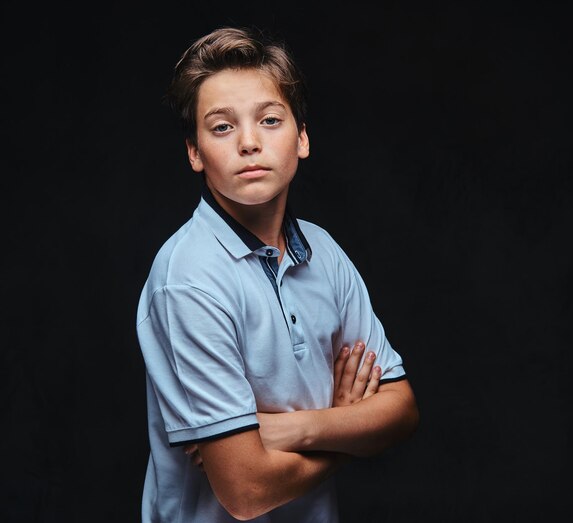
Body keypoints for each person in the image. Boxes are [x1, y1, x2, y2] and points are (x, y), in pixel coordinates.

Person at [136, 25, 420, 522]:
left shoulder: (324, 252)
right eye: (222, 127)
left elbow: (400, 412)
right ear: (195, 152)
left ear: (302, 138)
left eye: (270, 120)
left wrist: (294, 430)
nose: (249, 142)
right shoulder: (188, 278)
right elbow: (246, 491)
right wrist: (345, 431)